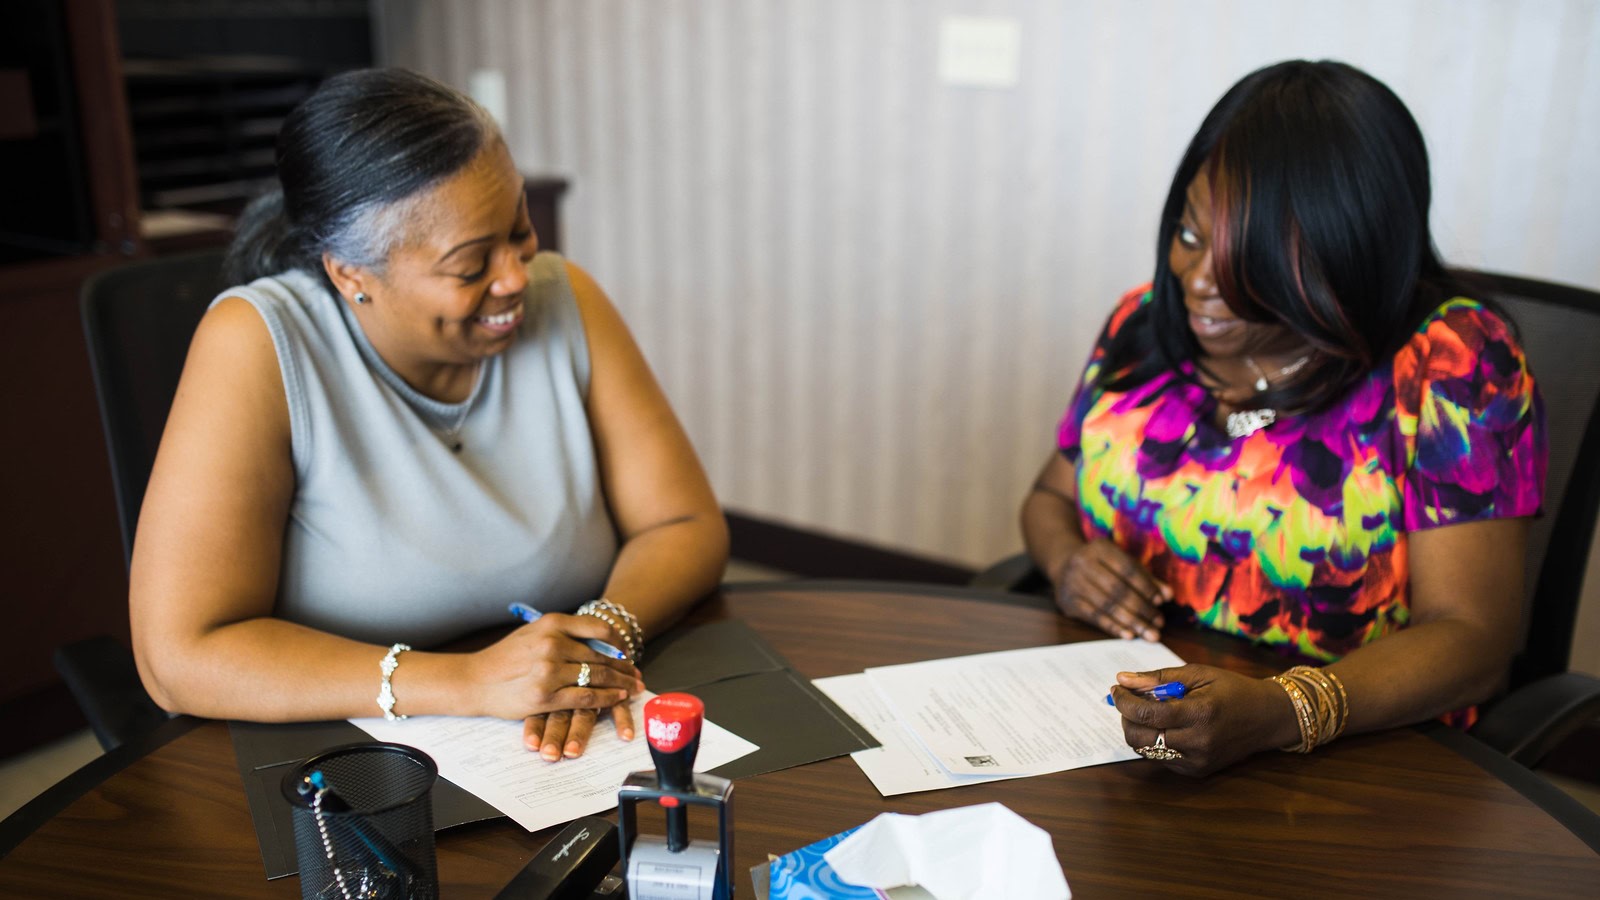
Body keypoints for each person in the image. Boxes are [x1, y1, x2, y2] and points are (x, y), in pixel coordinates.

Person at [130, 68, 729, 762]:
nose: (514, 278)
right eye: (471, 266)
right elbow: (180, 657)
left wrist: (599, 637)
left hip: (566, 742)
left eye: (520, 230)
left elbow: (683, 523)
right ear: (351, 274)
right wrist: (470, 681)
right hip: (348, 765)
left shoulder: (567, 298)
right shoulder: (257, 343)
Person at [1019, 60, 1546, 775]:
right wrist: (1068, 561)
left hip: (1358, 761)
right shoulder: (1143, 324)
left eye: (1246, 257)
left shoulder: (1452, 363)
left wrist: (1284, 710)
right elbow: (1050, 498)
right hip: (1129, 737)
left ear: (1344, 252)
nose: (1198, 280)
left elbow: (1473, 639)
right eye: (1190, 235)